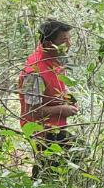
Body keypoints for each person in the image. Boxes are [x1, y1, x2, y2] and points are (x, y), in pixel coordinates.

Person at [19, 18, 80, 175]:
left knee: (57, 164)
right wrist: (61, 109)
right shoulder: (34, 72)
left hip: (55, 125)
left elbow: (60, 83)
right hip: (41, 130)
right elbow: (31, 111)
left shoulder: (54, 58)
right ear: (47, 44)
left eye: (69, 39)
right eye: (63, 41)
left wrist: (70, 98)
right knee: (49, 168)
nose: (69, 45)